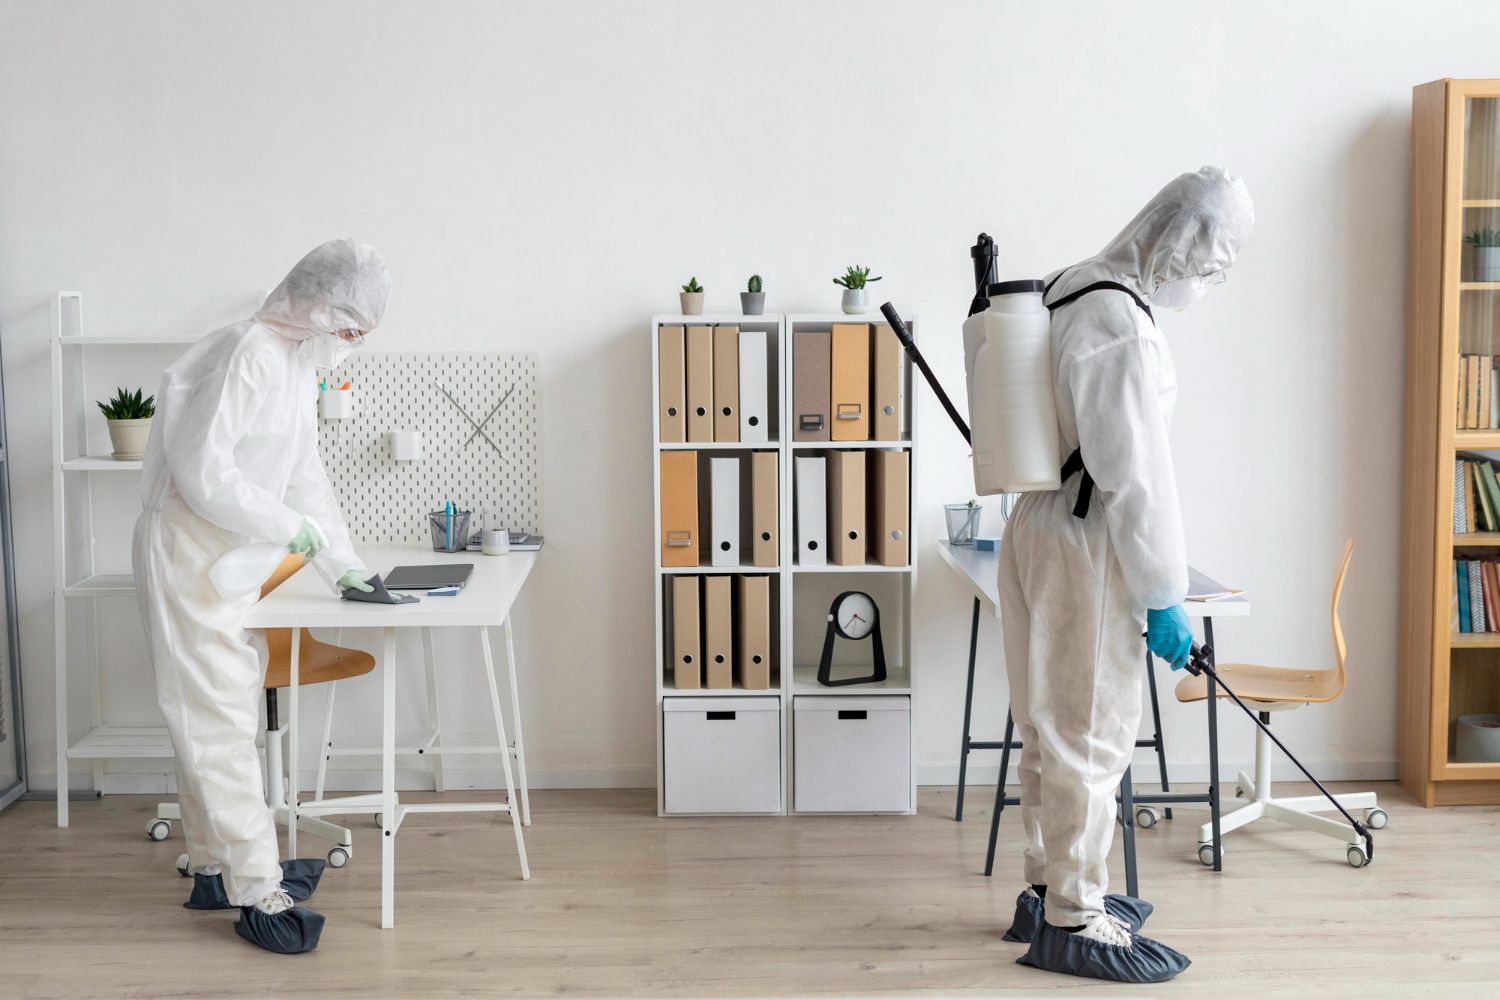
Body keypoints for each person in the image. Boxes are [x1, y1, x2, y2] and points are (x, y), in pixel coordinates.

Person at [996, 167, 1254, 984]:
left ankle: (1044, 888)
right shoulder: (1121, 320)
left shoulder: (1071, 288)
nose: (1211, 280)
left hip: (1033, 525)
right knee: (1090, 731)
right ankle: (1075, 914)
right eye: (1214, 261)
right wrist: (1164, 594)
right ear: (1181, 239)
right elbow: (1136, 474)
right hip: (1087, 538)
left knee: (1045, 726)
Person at [132, 238, 390, 954]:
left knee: (218, 709)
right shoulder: (243, 351)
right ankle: (256, 890)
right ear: (319, 305)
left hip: (231, 555)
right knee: (212, 716)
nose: (351, 343)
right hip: (187, 546)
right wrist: (292, 528)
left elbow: (303, 476)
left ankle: (215, 866)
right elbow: (200, 471)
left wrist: (344, 565)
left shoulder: (293, 364)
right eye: (350, 327)